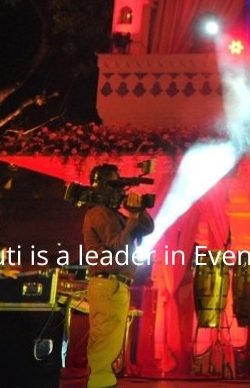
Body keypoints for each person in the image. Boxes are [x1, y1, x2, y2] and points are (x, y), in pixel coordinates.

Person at [80, 164, 155, 388]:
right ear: (104, 186)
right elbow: (117, 246)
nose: (120, 191)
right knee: (105, 338)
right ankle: (99, 382)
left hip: (113, 284)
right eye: (116, 185)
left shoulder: (111, 214)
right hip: (108, 282)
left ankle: (101, 380)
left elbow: (147, 229)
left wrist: (138, 211)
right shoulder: (99, 213)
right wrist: (132, 217)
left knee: (108, 339)